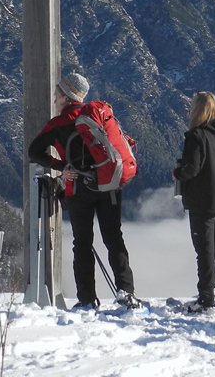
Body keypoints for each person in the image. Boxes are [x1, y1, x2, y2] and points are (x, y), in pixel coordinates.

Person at [27, 73, 139, 311]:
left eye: (57, 95)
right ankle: (126, 292)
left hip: (78, 188)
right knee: (114, 238)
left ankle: (87, 299)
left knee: (83, 243)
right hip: (109, 185)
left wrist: (61, 166)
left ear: (66, 96)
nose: (55, 99)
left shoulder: (58, 124)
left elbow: (34, 152)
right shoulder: (97, 115)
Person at [173, 91, 215, 312]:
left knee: (204, 250)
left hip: (203, 202)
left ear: (197, 109)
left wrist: (177, 172)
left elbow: (192, 169)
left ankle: (206, 298)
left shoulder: (196, 136)